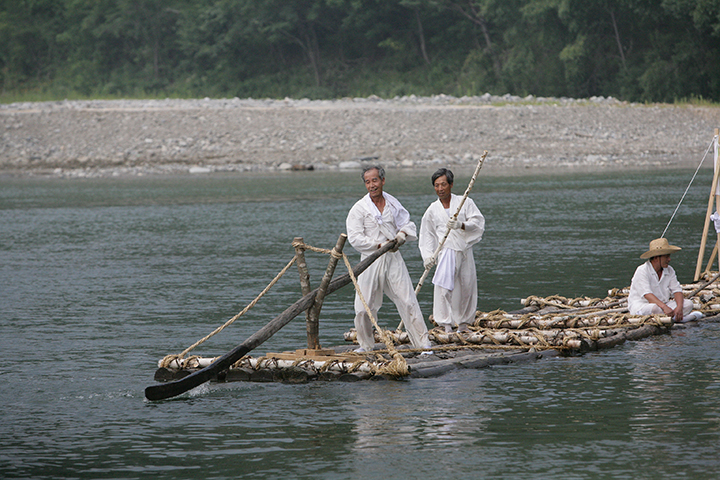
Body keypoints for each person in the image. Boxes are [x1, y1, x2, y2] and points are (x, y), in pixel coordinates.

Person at [346, 165, 432, 353]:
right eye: (367, 182)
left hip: (393, 257)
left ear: (383, 181)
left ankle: (423, 343)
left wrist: (401, 235)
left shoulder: (393, 203)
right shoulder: (359, 208)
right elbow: (354, 237)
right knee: (363, 307)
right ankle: (366, 345)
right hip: (370, 259)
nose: (371, 185)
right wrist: (377, 245)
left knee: (407, 299)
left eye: (375, 180)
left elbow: (407, 223)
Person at [419, 168, 485, 333]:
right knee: (444, 288)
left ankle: (463, 324)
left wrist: (461, 225)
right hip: (446, 250)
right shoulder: (432, 210)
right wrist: (428, 256)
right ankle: (445, 324)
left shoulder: (465, 202)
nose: (440, 189)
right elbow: (427, 235)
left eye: (443, 184)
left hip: (464, 249)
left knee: (467, 286)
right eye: (436, 185)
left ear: (451, 184)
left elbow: (478, 223)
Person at [628, 238, 693, 322]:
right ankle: (673, 318)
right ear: (656, 258)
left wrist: (679, 308)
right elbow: (647, 295)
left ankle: (670, 318)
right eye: (666, 257)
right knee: (655, 309)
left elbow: (677, 290)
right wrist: (664, 307)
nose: (669, 259)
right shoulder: (642, 270)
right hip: (643, 305)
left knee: (688, 304)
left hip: (663, 304)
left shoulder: (669, 270)